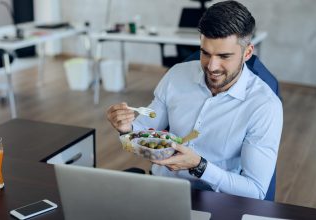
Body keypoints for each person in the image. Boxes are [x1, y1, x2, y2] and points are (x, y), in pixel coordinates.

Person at [106, 0, 282, 200]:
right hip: (162, 189)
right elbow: (139, 138)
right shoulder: (176, 75)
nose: (212, 66)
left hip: (216, 199)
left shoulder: (265, 105)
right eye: (205, 53)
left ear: (247, 52)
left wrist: (200, 166)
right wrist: (126, 129)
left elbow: (256, 190)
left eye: (224, 56)